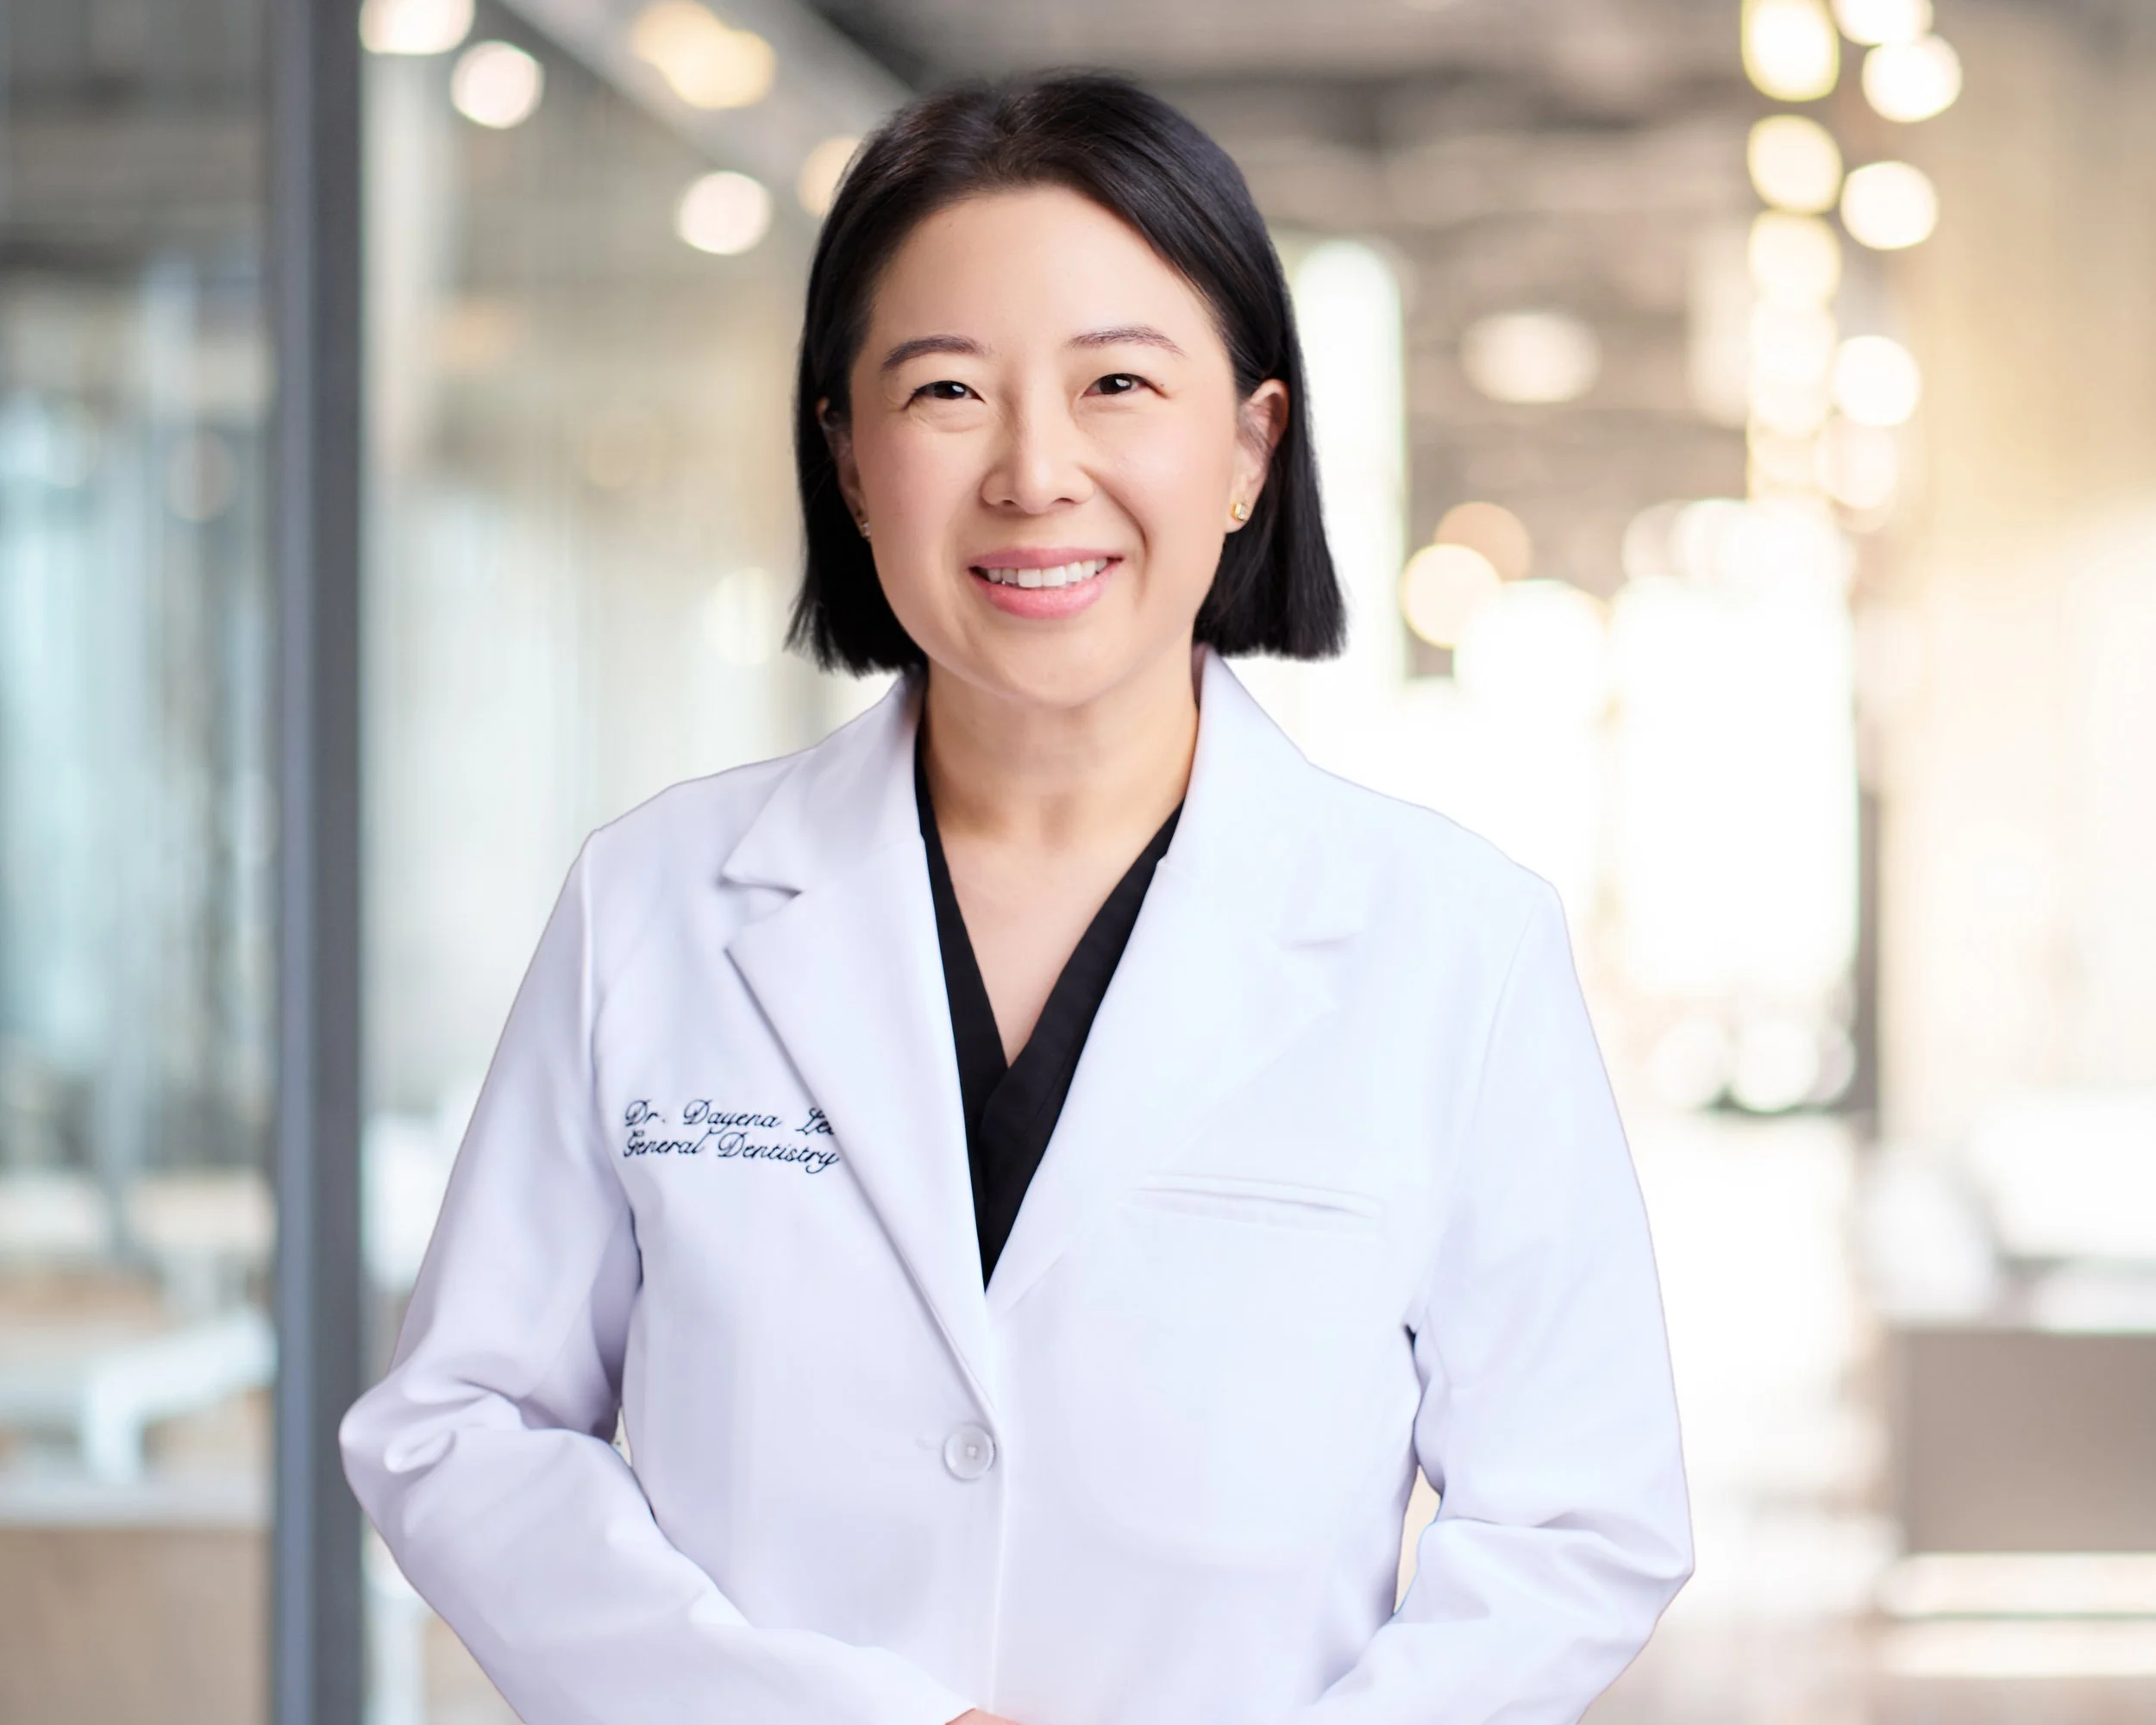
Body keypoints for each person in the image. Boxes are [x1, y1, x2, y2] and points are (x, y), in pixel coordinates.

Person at [342, 71, 1690, 1725]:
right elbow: (464, 1427)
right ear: (847, 456)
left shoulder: (1452, 944)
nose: (1036, 472)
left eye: (1119, 382)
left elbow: (1579, 1517)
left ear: (1251, 444)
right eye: (946, 392)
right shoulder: (656, 904)